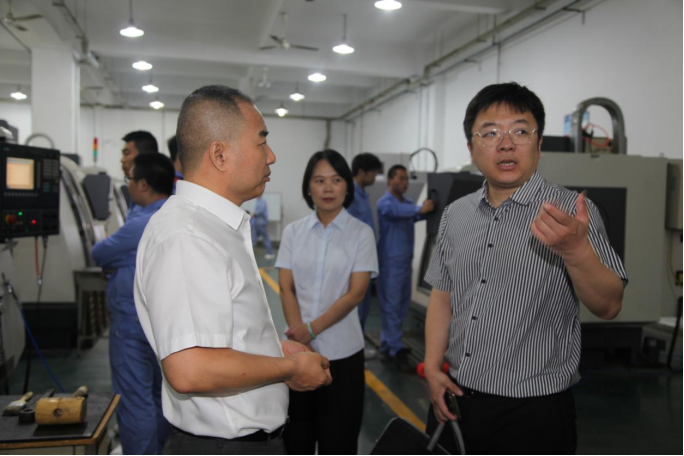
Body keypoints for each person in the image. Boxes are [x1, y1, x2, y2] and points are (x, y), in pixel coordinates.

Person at [424, 82, 628, 455]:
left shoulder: (570, 213)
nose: (506, 144)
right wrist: (433, 369)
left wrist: (576, 251)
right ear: (471, 148)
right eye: (490, 133)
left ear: (539, 144)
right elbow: (442, 296)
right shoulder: (456, 214)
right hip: (455, 398)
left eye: (520, 132)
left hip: (533, 412)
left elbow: (609, 305)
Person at [134, 85, 332, 456]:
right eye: (261, 142)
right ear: (220, 154)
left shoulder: (214, 228)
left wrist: (275, 351)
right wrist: (288, 370)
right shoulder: (186, 236)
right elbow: (190, 369)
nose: (271, 156)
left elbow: (221, 337)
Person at [277, 149, 378, 455]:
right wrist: (300, 335)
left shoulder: (361, 234)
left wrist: (311, 329)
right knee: (296, 440)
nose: (328, 188)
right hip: (298, 354)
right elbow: (286, 287)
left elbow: (356, 293)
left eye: (336, 180)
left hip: (343, 354)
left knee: (339, 440)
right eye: (319, 180)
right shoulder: (293, 232)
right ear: (308, 188)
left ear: (347, 186)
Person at [92, 153, 175, 455]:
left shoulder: (141, 224)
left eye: (130, 179)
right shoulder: (174, 214)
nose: (127, 184)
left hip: (132, 325)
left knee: (134, 399)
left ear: (143, 184)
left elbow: (100, 253)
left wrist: (121, 261)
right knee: (160, 395)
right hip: (165, 324)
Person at [376, 165, 434, 364]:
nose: (404, 183)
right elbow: (399, 211)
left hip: (404, 263)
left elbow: (417, 214)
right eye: (400, 178)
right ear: (389, 180)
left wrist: (430, 207)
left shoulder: (408, 204)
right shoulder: (385, 203)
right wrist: (420, 208)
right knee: (391, 306)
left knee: (401, 305)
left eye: (406, 179)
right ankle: (395, 347)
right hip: (390, 264)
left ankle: (388, 342)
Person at [347, 153, 384, 332]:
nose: (375, 176)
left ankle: (358, 344)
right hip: (354, 263)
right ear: (362, 172)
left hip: (364, 261)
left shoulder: (363, 195)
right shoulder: (351, 195)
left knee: (363, 309)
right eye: (373, 172)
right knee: (355, 310)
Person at [121, 131, 159, 218]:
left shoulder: (153, 201)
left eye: (126, 153)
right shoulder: (136, 195)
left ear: (144, 156)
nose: (122, 160)